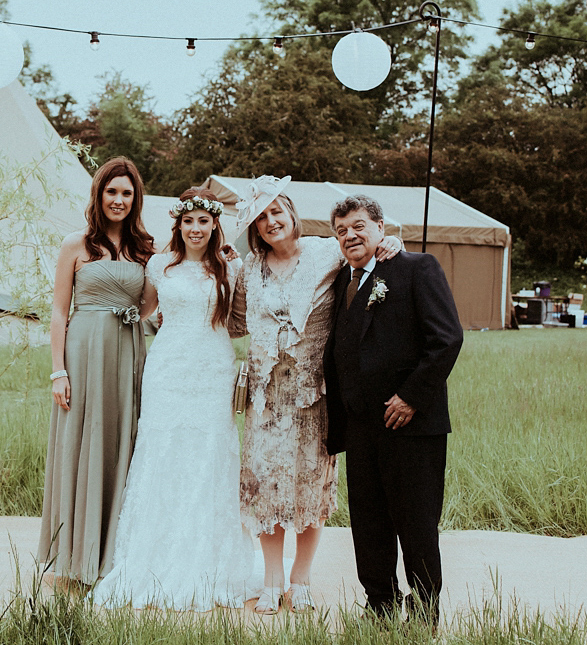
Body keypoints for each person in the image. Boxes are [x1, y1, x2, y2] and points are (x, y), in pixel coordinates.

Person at [228, 175, 401, 614]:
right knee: (264, 484)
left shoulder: (328, 252)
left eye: (277, 212)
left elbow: (367, 244)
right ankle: (271, 579)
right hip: (267, 396)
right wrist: (218, 270)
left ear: (291, 213)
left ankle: (300, 579)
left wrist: (392, 242)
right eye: (262, 217)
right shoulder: (250, 265)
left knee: (310, 483)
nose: (271, 222)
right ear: (255, 227)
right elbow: (235, 323)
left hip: (316, 394)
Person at [93, 188, 256, 610]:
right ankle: (151, 558)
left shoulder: (230, 266)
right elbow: (142, 310)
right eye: (189, 221)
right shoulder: (160, 264)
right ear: (178, 224)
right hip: (167, 370)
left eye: (204, 221)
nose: (196, 229)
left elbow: (239, 322)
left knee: (208, 456)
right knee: (162, 453)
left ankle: (207, 560)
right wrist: (99, 318)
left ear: (215, 224)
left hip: (212, 370)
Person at [323, 194, 463, 628]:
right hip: (361, 428)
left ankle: (423, 617)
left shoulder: (416, 268)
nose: (351, 235)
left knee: (417, 526)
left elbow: (447, 339)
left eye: (359, 226)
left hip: (411, 426)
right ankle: (380, 606)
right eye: (342, 230)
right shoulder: (339, 283)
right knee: (368, 526)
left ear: (381, 227)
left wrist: (411, 397)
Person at [38, 157, 157, 586]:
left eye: (127, 193)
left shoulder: (147, 249)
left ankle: (113, 555)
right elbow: (57, 311)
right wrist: (58, 371)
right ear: (99, 194)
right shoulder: (76, 244)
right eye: (112, 192)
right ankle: (77, 556)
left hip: (128, 353)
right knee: (82, 442)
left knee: (122, 440)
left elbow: (153, 304)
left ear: (135, 198)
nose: (119, 200)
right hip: (84, 352)